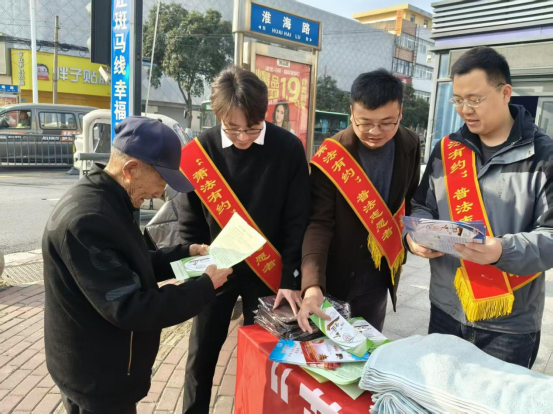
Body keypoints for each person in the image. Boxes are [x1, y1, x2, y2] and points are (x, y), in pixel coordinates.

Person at [43, 117, 233, 414]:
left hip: (101, 365)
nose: (160, 193)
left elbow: (131, 262)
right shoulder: (89, 220)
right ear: (131, 169)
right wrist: (205, 287)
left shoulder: (109, 198)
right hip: (98, 379)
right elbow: (130, 307)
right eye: (161, 181)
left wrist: (185, 254)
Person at [407, 46, 553, 368]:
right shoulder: (446, 149)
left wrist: (501, 251)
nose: (465, 110)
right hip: (445, 306)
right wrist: (415, 237)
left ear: (505, 93)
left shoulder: (543, 156)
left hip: (510, 323)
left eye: (474, 99)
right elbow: (422, 205)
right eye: (457, 100)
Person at [180, 66, 311, 414]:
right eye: (232, 128)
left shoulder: (288, 149)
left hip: (268, 272)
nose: (242, 137)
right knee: (201, 355)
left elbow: (297, 219)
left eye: (252, 128)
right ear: (217, 115)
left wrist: (291, 277)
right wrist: (196, 271)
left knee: (264, 356)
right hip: (216, 268)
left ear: (264, 113)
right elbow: (189, 220)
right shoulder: (201, 151)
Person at [298, 69, 421, 333]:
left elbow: (410, 198)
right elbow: (319, 223)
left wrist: (413, 236)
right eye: (365, 122)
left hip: (379, 271)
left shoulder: (409, 143)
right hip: (336, 273)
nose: (375, 132)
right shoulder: (332, 155)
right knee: (328, 349)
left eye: (387, 123)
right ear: (351, 112)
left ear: (400, 113)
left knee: (370, 343)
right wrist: (312, 285)